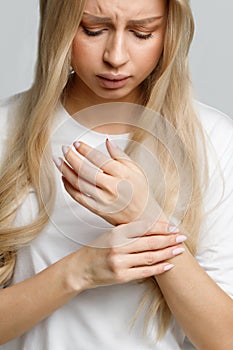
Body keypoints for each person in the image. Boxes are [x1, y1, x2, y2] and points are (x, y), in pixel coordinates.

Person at [0, 0, 233, 349]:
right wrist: (80, 271)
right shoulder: (7, 130)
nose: (116, 56)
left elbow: (224, 339)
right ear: (59, 25)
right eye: (93, 29)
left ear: (170, 31)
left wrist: (145, 217)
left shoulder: (212, 139)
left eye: (143, 32)